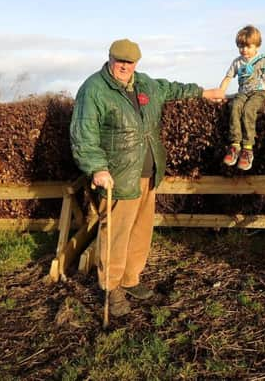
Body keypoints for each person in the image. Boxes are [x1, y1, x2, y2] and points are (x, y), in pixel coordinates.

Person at [70, 38, 225, 317]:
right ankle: (111, 287)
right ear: (110, 58)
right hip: (117, 177)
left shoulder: (145, 84)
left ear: (137, 63)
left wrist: (205, 92)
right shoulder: (94, 89)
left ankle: (130, 280)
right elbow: (84, 133)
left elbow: (172, 88)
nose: (124, 66)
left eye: (130, 62)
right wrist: (97, 167)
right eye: (120, 61)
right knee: (116, 235)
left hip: (148, 174)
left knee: (140, 232)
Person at [219, 25, 265, 170]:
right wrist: (220, 93)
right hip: (243, 92)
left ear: (257, 46)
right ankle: (235, 145)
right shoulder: (237, 62)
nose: (244, 50)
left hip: (260, 92)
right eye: (241, 47)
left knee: (249, 109)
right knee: (235, 106)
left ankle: (248, 149)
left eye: (248, 46)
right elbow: (227, 78)